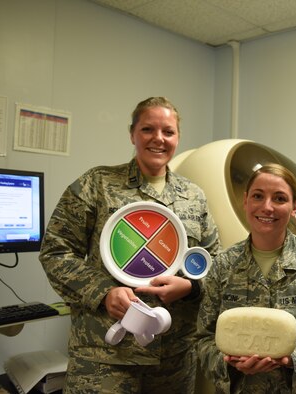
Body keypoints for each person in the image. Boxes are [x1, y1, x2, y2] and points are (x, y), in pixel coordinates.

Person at [39, 97, 221, 393]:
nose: (158, 139)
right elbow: (56, 251)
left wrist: (190, 288)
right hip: (105, 356)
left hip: (173, 359)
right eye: (148, 129)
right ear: (132, 133)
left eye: (168, 132)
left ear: (178, 138)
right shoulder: (97, 184)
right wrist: (103, 292)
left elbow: (215, 264)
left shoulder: (194, 197)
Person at [196, 163, 296, 393]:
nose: (267, 207)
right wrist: (228, 362)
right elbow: (203, 339)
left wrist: (292, 359)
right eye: (258, 196)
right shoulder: (223, 265)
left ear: (294, 207)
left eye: (280, 198)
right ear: (246, 201)